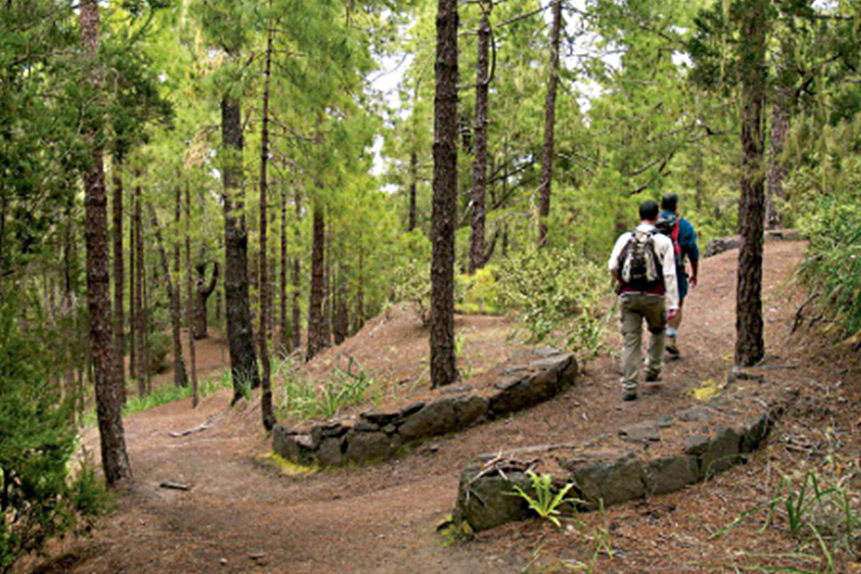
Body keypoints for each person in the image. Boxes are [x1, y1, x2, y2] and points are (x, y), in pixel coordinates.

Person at [608, 200, 679, 401]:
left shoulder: (624, 238)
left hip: (629, 295)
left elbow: (612, 265)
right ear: (656, 217)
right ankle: (652, 370)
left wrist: (621, 281)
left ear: (639, 217)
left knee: (631, 340)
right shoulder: (663, 241)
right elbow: (669, 274)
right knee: (657, 329)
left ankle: (629, 386)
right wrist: (673, 304)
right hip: (654, 295)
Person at [657, 193, 699, 358]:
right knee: (677, 303)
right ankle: (671, 336)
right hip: (677, 271)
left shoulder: (653, 223)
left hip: (655, 272)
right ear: (676, 207)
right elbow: (693, 252)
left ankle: (657, 339)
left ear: (661, 206)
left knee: (657, 302)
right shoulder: (685, 226)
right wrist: (695, 273)